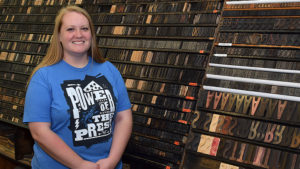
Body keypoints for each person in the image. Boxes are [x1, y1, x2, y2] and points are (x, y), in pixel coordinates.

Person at [23, 5, 132, 169]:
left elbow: (123, 117)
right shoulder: (43, 77)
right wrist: (80, 164)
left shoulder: (109, 69)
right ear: (59, 35)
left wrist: (112, 160)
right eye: (70, 29)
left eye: (84, 28)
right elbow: (39, 131)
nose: (79, 34)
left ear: (91, 34)